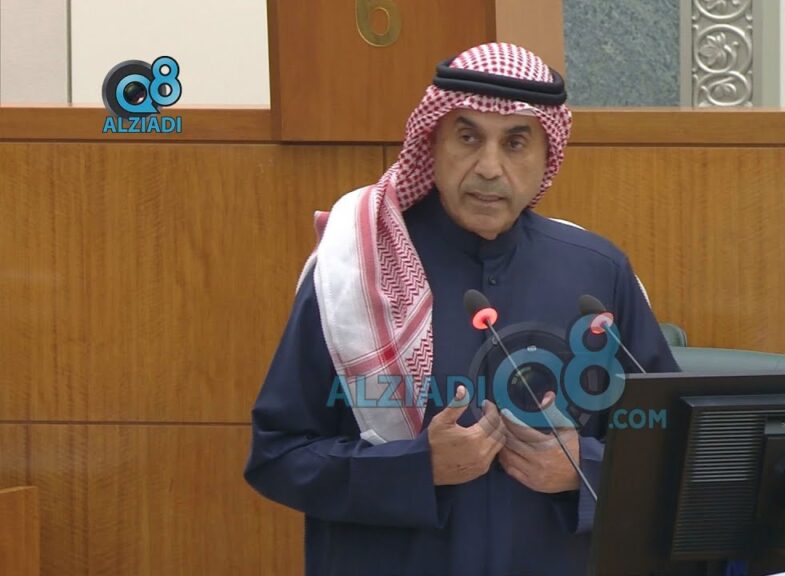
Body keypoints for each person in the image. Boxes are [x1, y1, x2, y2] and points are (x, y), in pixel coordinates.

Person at [243, 42, 678, 576]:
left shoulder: (598, 272)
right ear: (432, 143)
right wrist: (416, 469)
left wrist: (582, 469)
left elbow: (671, 450)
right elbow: (278, 456)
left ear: (548, 156)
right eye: (468, 137)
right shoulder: (357, 268)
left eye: (516, 142)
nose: (490, 168)